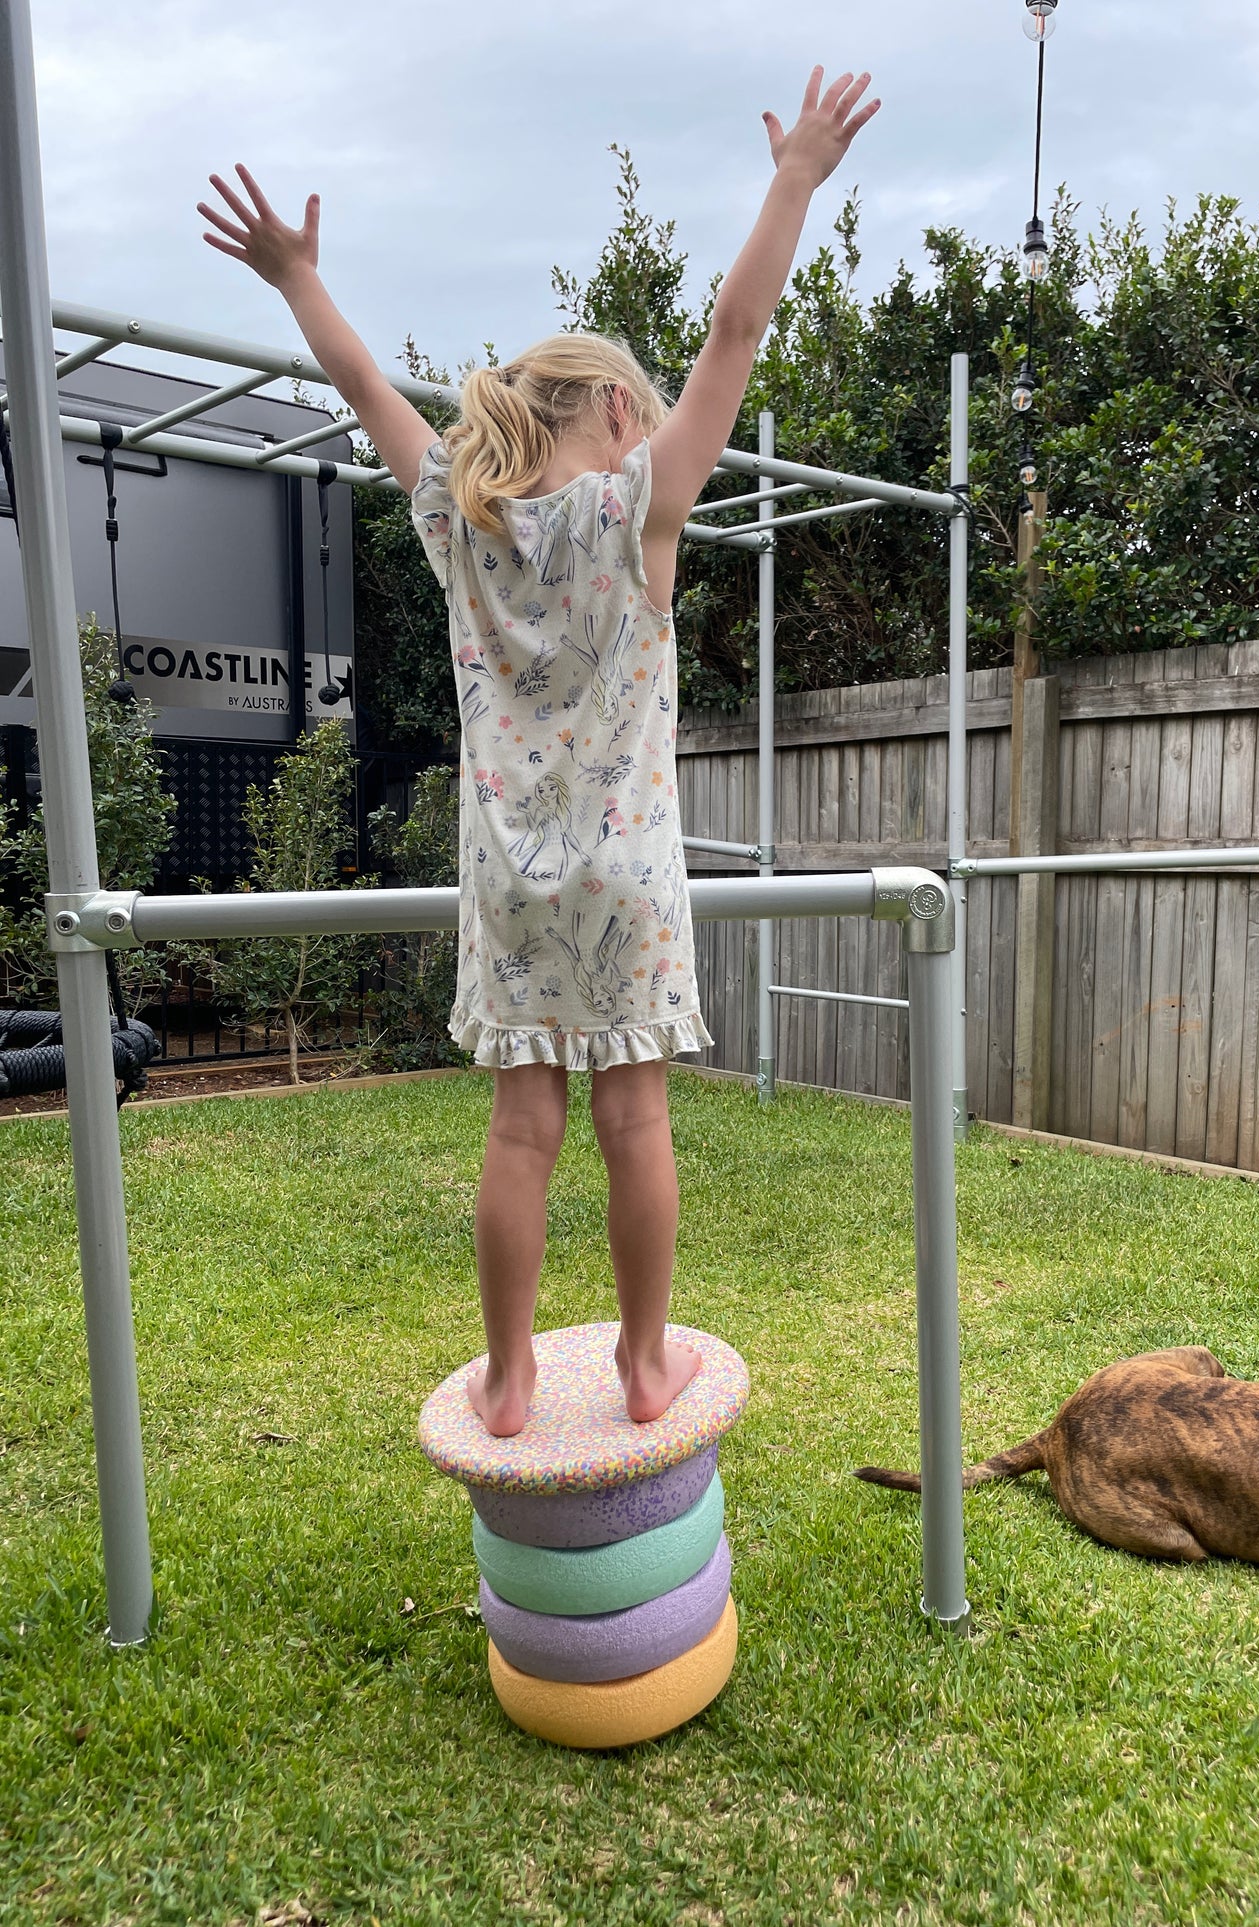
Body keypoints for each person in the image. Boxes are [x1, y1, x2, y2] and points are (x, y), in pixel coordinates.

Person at [199, 67, 881, 1437]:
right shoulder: (640, 514)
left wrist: (293, 278)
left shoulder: (466, 524)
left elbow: (356, 386)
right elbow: (738, 328)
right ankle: (639, 1361)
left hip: (507, 878)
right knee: (636, 1122)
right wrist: (795, 178)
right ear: (622, 417)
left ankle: (508, 1375)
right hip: (629, 874)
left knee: (521, 1130)